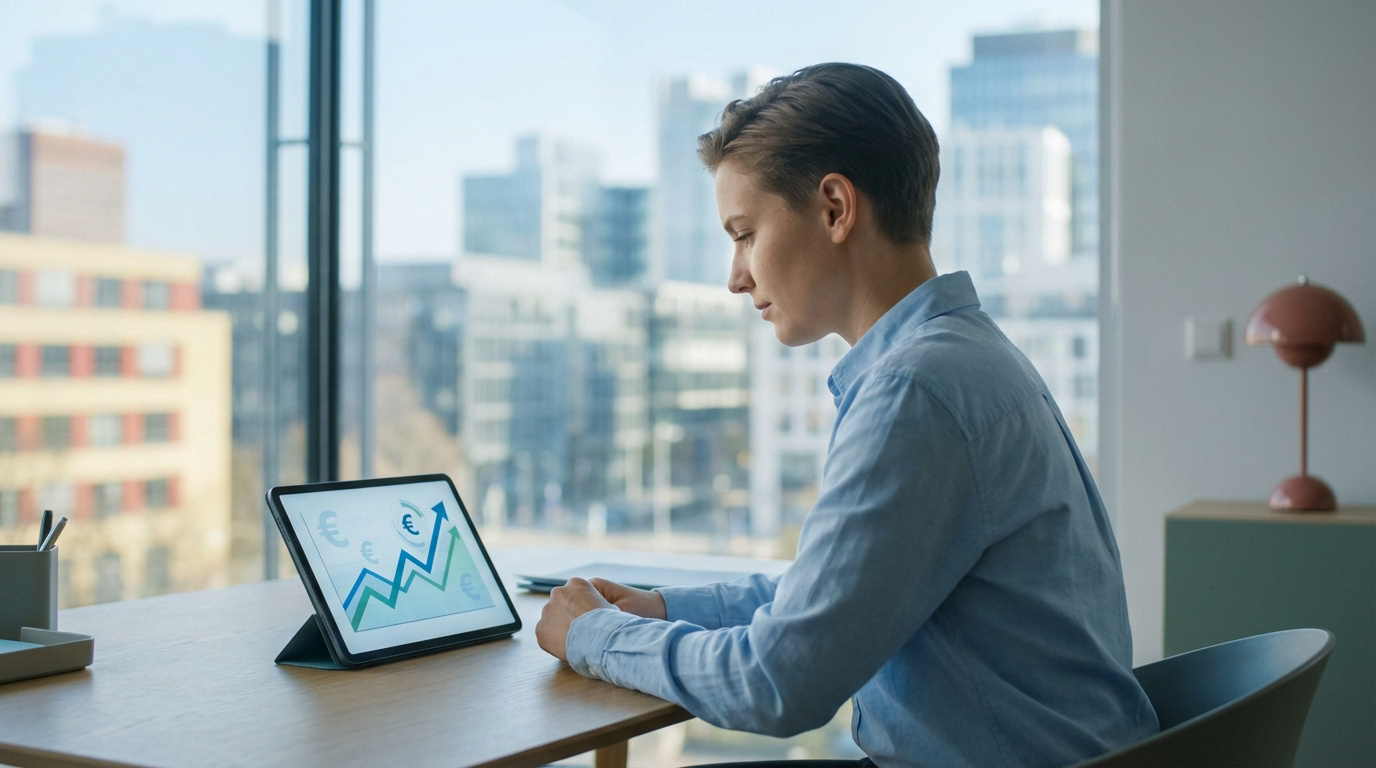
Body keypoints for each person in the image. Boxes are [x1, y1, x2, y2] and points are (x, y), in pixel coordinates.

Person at [535, 62, 1158, 768]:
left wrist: (595, 636)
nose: (735, 277)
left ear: (835, 207)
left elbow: (778, 684)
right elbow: (833, 598)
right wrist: (665, 611)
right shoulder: (964, 357)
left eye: (743, 234)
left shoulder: (914, 392)